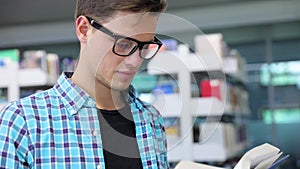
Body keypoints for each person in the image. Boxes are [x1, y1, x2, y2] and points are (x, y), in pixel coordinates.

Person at [0, 0, 169, 168]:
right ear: (84, 30)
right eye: (123, 44)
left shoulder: (151, 119)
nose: (135, 61)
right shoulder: (22, 122)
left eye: (144, 47)